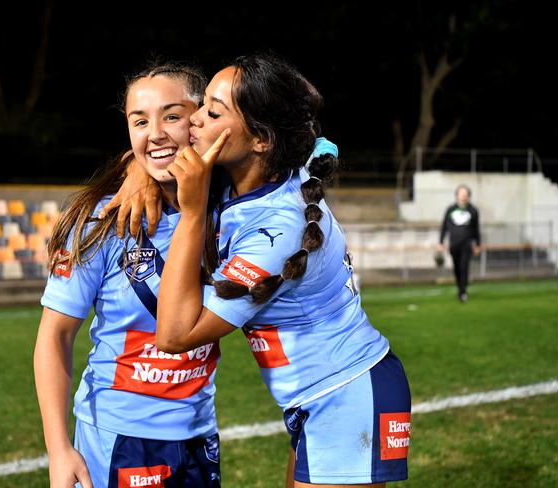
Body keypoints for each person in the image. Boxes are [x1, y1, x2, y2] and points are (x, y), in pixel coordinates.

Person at [155, 53, 411, 487]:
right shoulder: (254, 181)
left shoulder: (279, 228)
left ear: (261, 140)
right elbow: (151, 159)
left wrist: (194, 210)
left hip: (347, 393)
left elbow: (175, 335)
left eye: (213, 112)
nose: (194, 119)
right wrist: (135, 174)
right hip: (321, 396)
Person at [33, 62, 222, 488]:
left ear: (200, 118)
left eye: (172, 116)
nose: (155, 132)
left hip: (200, 436)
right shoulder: (103, 222)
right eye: (140, 121)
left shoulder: (229, 209)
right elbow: (55, 336)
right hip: (119, 439)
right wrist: (58, 448)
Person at [437, 184, 481, 302]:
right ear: (457, 196)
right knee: (456, 268)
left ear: (468, 196)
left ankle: (463, 292)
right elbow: (444, 227)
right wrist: (440, 242)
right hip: (454, 244)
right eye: (461, 194)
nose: (463, 197)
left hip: (467, 244)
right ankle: (460, 286)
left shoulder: (473, 211)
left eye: (465, 194)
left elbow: (476, 229)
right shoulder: (450, 210)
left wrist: (477, 244)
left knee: (464, 266)